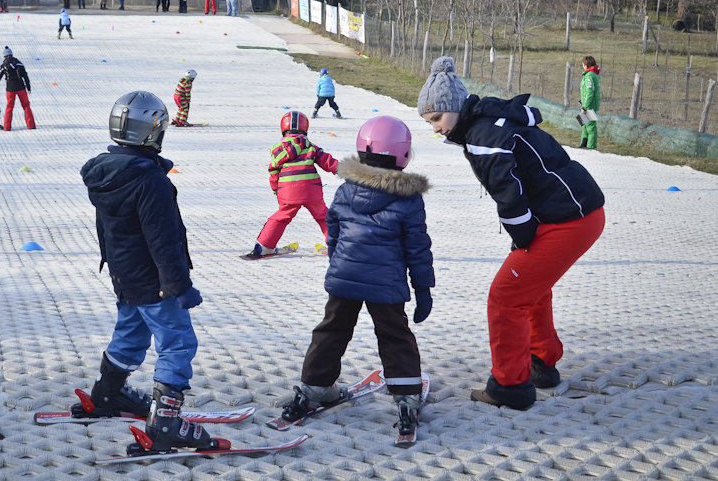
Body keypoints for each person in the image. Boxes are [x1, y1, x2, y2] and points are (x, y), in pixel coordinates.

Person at [418, 56, 605, 410]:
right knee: (530, 288)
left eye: (437, 119)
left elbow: (510, 194)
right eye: (429, 122)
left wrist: (522, 239)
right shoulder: (487, 121)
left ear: (455, 108)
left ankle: (510, 385)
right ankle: (541, 363)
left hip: (569, 219)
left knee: (506, 296)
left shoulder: (484, 136)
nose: (435, 128)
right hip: (577, 211)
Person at [71, 91, 222, 453]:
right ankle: (165, 426)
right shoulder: (149, 181)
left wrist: (115, 270)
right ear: (153, 133)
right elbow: (163, 240)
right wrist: (179, 286)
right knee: (178, 343)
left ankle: (106, 396)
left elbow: (105, 230)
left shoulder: (105, 174)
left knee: (131, 334)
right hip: (155, 281)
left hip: (126, 276)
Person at [282, 115, 433, 440]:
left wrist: (340, 262)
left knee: (332, 330)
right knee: (394, 335)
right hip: (387, 283)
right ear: (403, 155)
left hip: (345, 278)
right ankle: (406, 395)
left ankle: (314, 386)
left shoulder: (346, 190)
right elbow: (417, 246)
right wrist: (423, 288)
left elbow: (333, 231)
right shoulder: (408, 198)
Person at [247, 111, 339, 258]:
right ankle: (337, 246)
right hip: (311, 190)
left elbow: (273, 173)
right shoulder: (310, 146)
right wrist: (347, 170)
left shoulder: (279, 150)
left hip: (287, 191)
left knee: (281, 217)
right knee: (323, 216)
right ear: (305, 129)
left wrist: (277, 190)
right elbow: (328, 162)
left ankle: (263, 247)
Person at [0, 46, 36, 131]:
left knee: (9, 107)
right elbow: (25, 76)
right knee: (26, 106)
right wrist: (28, 87)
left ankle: (7, 127)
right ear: (11, 54)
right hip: (21, 88)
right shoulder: (19, 63)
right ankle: (31, 125)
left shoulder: (4, 65)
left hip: (10, 89)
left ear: (4, 56)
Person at [579, 55, 600, 149]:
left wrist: (585, 107)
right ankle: (583, 142)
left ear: (586, 65)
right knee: (583, 123)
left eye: (583, 64)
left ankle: (591, 146)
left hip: (589, 106)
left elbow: (590, 92)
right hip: (586, 103)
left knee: (591, 126)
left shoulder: (589, 76)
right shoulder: (588, 75)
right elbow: (586, 92)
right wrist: (582, 101)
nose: (582, 66)